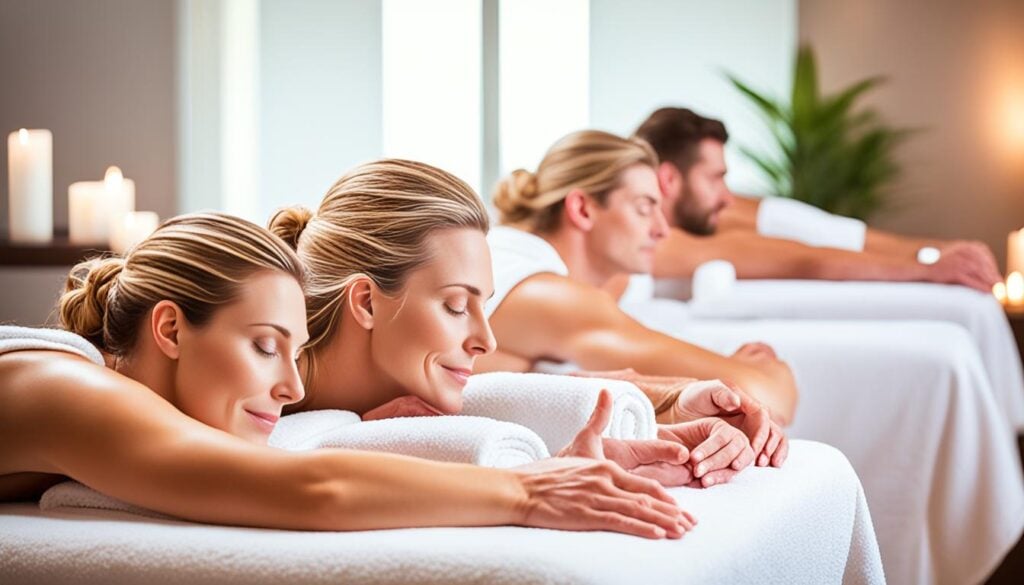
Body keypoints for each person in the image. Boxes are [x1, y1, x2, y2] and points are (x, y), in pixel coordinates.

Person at [0, 212, 687, 539]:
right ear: (172, 329)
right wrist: (525, 491)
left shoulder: (111, 396)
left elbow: (315, 429)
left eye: (293, 351)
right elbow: (314, 487)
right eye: (266, 346)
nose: (293, 388)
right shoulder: (67, 390)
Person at [269, 158, 779, 487]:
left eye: (481, 304)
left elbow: (509, 389)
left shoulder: (401, 390)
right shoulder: (253, 392)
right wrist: (532, 480)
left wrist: (676, 402)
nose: (484, 337)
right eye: (454, 305)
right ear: (365, 302)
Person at [631, 107, 1001, 292]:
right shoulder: (656, 243)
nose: (726, 196)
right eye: (714, 179)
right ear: (668, 179)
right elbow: (799, 259)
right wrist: (925, 271)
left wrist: (932, 248)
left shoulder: (705, 213)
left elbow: (825, 235)